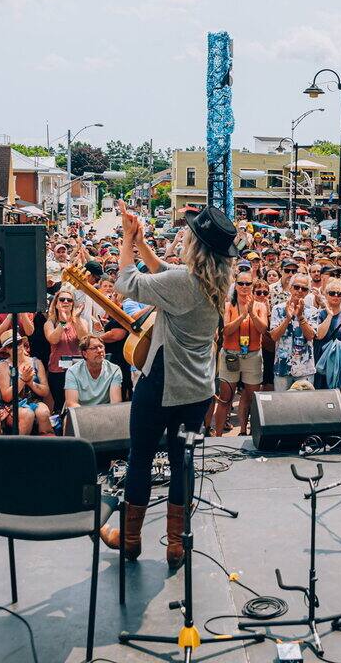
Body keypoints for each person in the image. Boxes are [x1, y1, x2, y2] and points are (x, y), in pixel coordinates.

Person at [106, 205, 236, 570]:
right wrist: (145, 244)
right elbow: (166, 272)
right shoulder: (217, 282)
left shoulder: (184, 284)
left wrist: (128, 241)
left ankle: (130, 540)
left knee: (140, 459)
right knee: (182, 463)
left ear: (196, 246)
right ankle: (175, 545)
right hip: (197, 389)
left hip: (163, 383)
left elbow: (127, 283)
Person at [212, 269, 267, 435]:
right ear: (235, 286)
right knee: (225, 398)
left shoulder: (259, 305)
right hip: (231, 354)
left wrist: (251, 314)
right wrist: (242, 316)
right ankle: (219, 435)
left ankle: (244, 430)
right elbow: (226, 331)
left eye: (248, 283)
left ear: (252, 285)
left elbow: (263, 329)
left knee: (250, 396)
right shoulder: (228, 305)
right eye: (241, 283)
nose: (244, 286)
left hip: (252, 355)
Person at [0, 335, 54, 436]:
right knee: (27, 414)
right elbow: (7, 397)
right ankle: (19, 448)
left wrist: (31, 383)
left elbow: (45, 391)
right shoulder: (3, 366)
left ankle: (46, 448)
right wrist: (22, 380)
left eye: (18, 343)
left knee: (43, 412)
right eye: (11, 346)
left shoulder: (36, 362)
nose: (16, 347)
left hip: (34, 401)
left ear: (22, 343)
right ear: (6, 349)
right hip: (11, 406)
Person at [269, 273, 320, 392]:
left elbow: (310, 336)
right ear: (290, 288)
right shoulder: (278, 309)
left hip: (304, 368)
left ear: (308, 292)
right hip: (282, 367)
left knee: (303, 407)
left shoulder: (312, 311)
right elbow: (274, 336)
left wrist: (301, 317)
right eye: (296, 287)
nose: (300, 291)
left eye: (304, 288)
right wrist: (287, 318)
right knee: (282, 406)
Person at [63, 336, 124, 408]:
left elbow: (115, 403)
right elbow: (72, 404)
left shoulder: (115, 370)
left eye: (101, 347)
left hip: (105, 413)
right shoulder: (72, 372)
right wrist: (91, 416)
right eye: (94, 348)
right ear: (85, 354)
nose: (99, 350)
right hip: (80, 413)